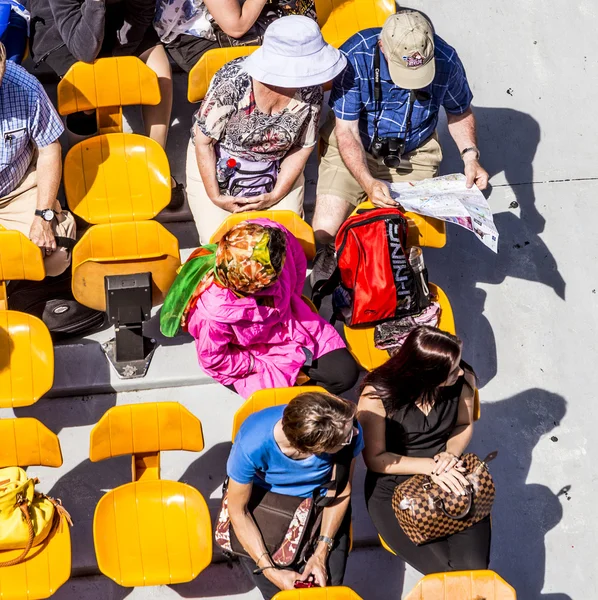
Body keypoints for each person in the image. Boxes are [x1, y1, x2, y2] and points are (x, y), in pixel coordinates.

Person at [310, 9, 490, 285]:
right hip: (357, 145)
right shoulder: (356, 55)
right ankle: (327, 279)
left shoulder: (447, 59)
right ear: (382, 46)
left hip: (414, 151)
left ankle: (385, 285)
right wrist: (368, 181)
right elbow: (346, 130)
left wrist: (470, 155)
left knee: (395, 236)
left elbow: (460, 111)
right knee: (324, 230)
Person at [186, 15, 346, 244]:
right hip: (216, 163)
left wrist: (276, 194)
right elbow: (204, 142)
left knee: (284, 243)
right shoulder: (233, 81)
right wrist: (216, 197)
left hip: (277, 167)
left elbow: (302, 147)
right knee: (221, 244)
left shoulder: (311, 91)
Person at [357, 326, 491, 574]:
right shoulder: (376, 396)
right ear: (426, 375)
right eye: (452, 370)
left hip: (449, 472)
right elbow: (375, 459)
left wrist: (449, 455)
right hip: (394, 483)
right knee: (445, 574)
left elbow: (463, 424)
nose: (461, 371)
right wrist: (431, 467)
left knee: (474, 570)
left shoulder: (463, 379)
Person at [177, 219, 359, 398]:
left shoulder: (269, 238)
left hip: (292, 324)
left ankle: (304, 399)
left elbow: (295, 260)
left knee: (344, 376)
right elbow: (215, 360)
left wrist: (291, 300)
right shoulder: (211, 317)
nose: (281, 271)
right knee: (277, 403)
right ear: (254, 286)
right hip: (250, 355)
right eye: (274, 276)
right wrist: (256, 365)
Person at [28, 0, 180, 202]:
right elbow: (84, 50)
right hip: (63, 29)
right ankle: (81, 169)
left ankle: (154, 161)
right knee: (84, 87)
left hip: (121, 18)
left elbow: (141, 13)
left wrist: (118, 58)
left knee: (160, 72)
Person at [227, 391, 364, 597]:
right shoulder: (253, 443)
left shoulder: (345, 426)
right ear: (317, 449)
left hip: (323, 503)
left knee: (327, 592)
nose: (355, 433)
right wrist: (271, 571)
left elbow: (342, 490)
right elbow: (238, 511)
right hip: (267, 507)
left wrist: (321, 552)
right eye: (345, 439)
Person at [0, 42, 75, 276]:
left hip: (16, 190)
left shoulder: (24, 87)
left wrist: (42, 216)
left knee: (58, 249)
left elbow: (49, 148)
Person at [154, 0, 316, 73]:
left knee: (302, 38)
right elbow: (237, 27)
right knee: (295, 48)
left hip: (234, 18)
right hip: (198, 40)